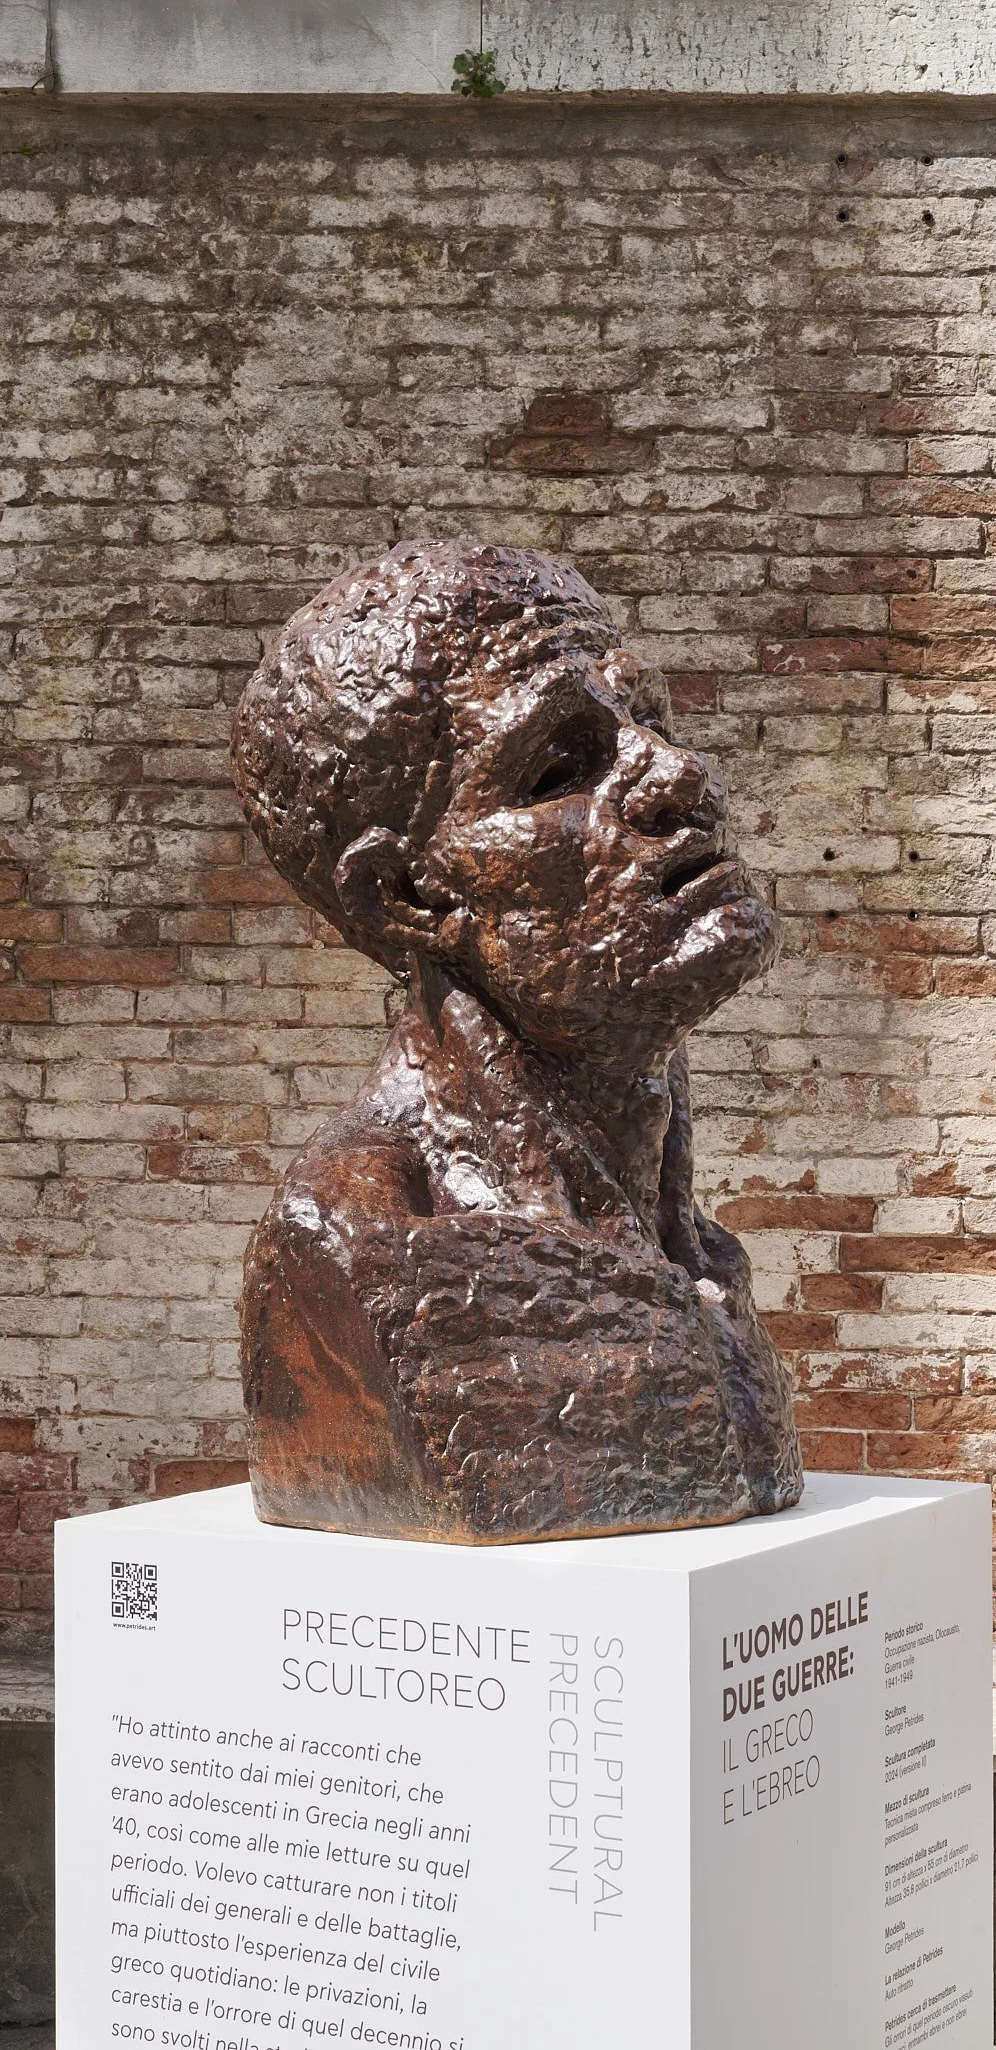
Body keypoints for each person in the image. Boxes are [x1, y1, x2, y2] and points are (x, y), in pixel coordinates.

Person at [230, 539, 804, 1543]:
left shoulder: (683, 1239)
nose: (678, 773)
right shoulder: (378, 1250)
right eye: (557, 766)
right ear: (408, 896)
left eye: (650, 717)